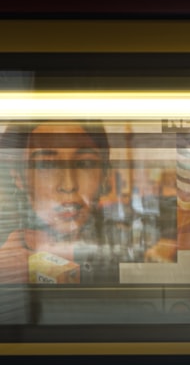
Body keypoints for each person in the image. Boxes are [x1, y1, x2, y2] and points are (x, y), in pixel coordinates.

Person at [0, 121, 109, 283]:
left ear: (104, 175)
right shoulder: (8, 267)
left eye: (84, 163)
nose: (69, 185)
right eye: (47, 164)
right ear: (18, 176)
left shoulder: (121, 251)